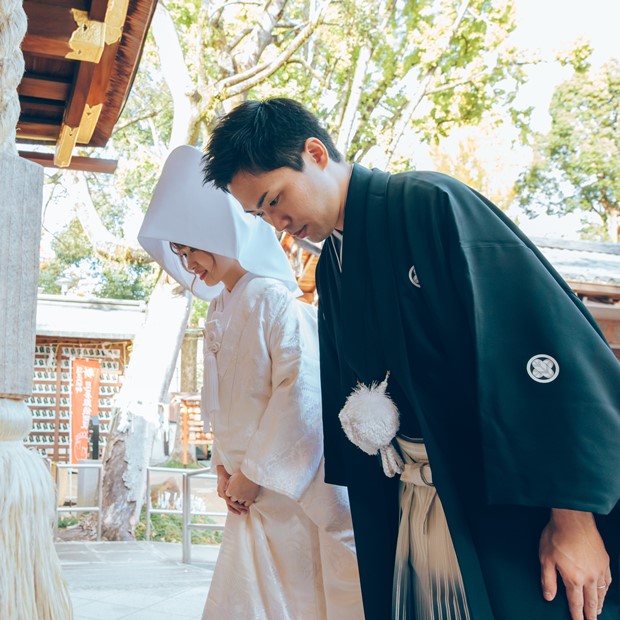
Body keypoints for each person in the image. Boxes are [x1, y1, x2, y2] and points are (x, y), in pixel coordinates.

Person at [201, 98, 620, 620]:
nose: (278, 223)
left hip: (496, 502)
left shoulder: (431, 205)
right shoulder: (333, 265)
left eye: (276, 198)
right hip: (410, 501)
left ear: (315, 153)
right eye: (261, 213)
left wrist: (574, 520)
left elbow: (541, 348)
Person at [138, 145, 363, 620]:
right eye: (179, 254)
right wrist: (223, 465)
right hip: (248, 487)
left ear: (216, 233)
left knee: (297, 595)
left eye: (191, 248)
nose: (188, 264)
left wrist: (253, 473)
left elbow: (299, 392)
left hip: (286, 487)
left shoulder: (273, 299)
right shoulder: (218, 307)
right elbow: (220, 401)